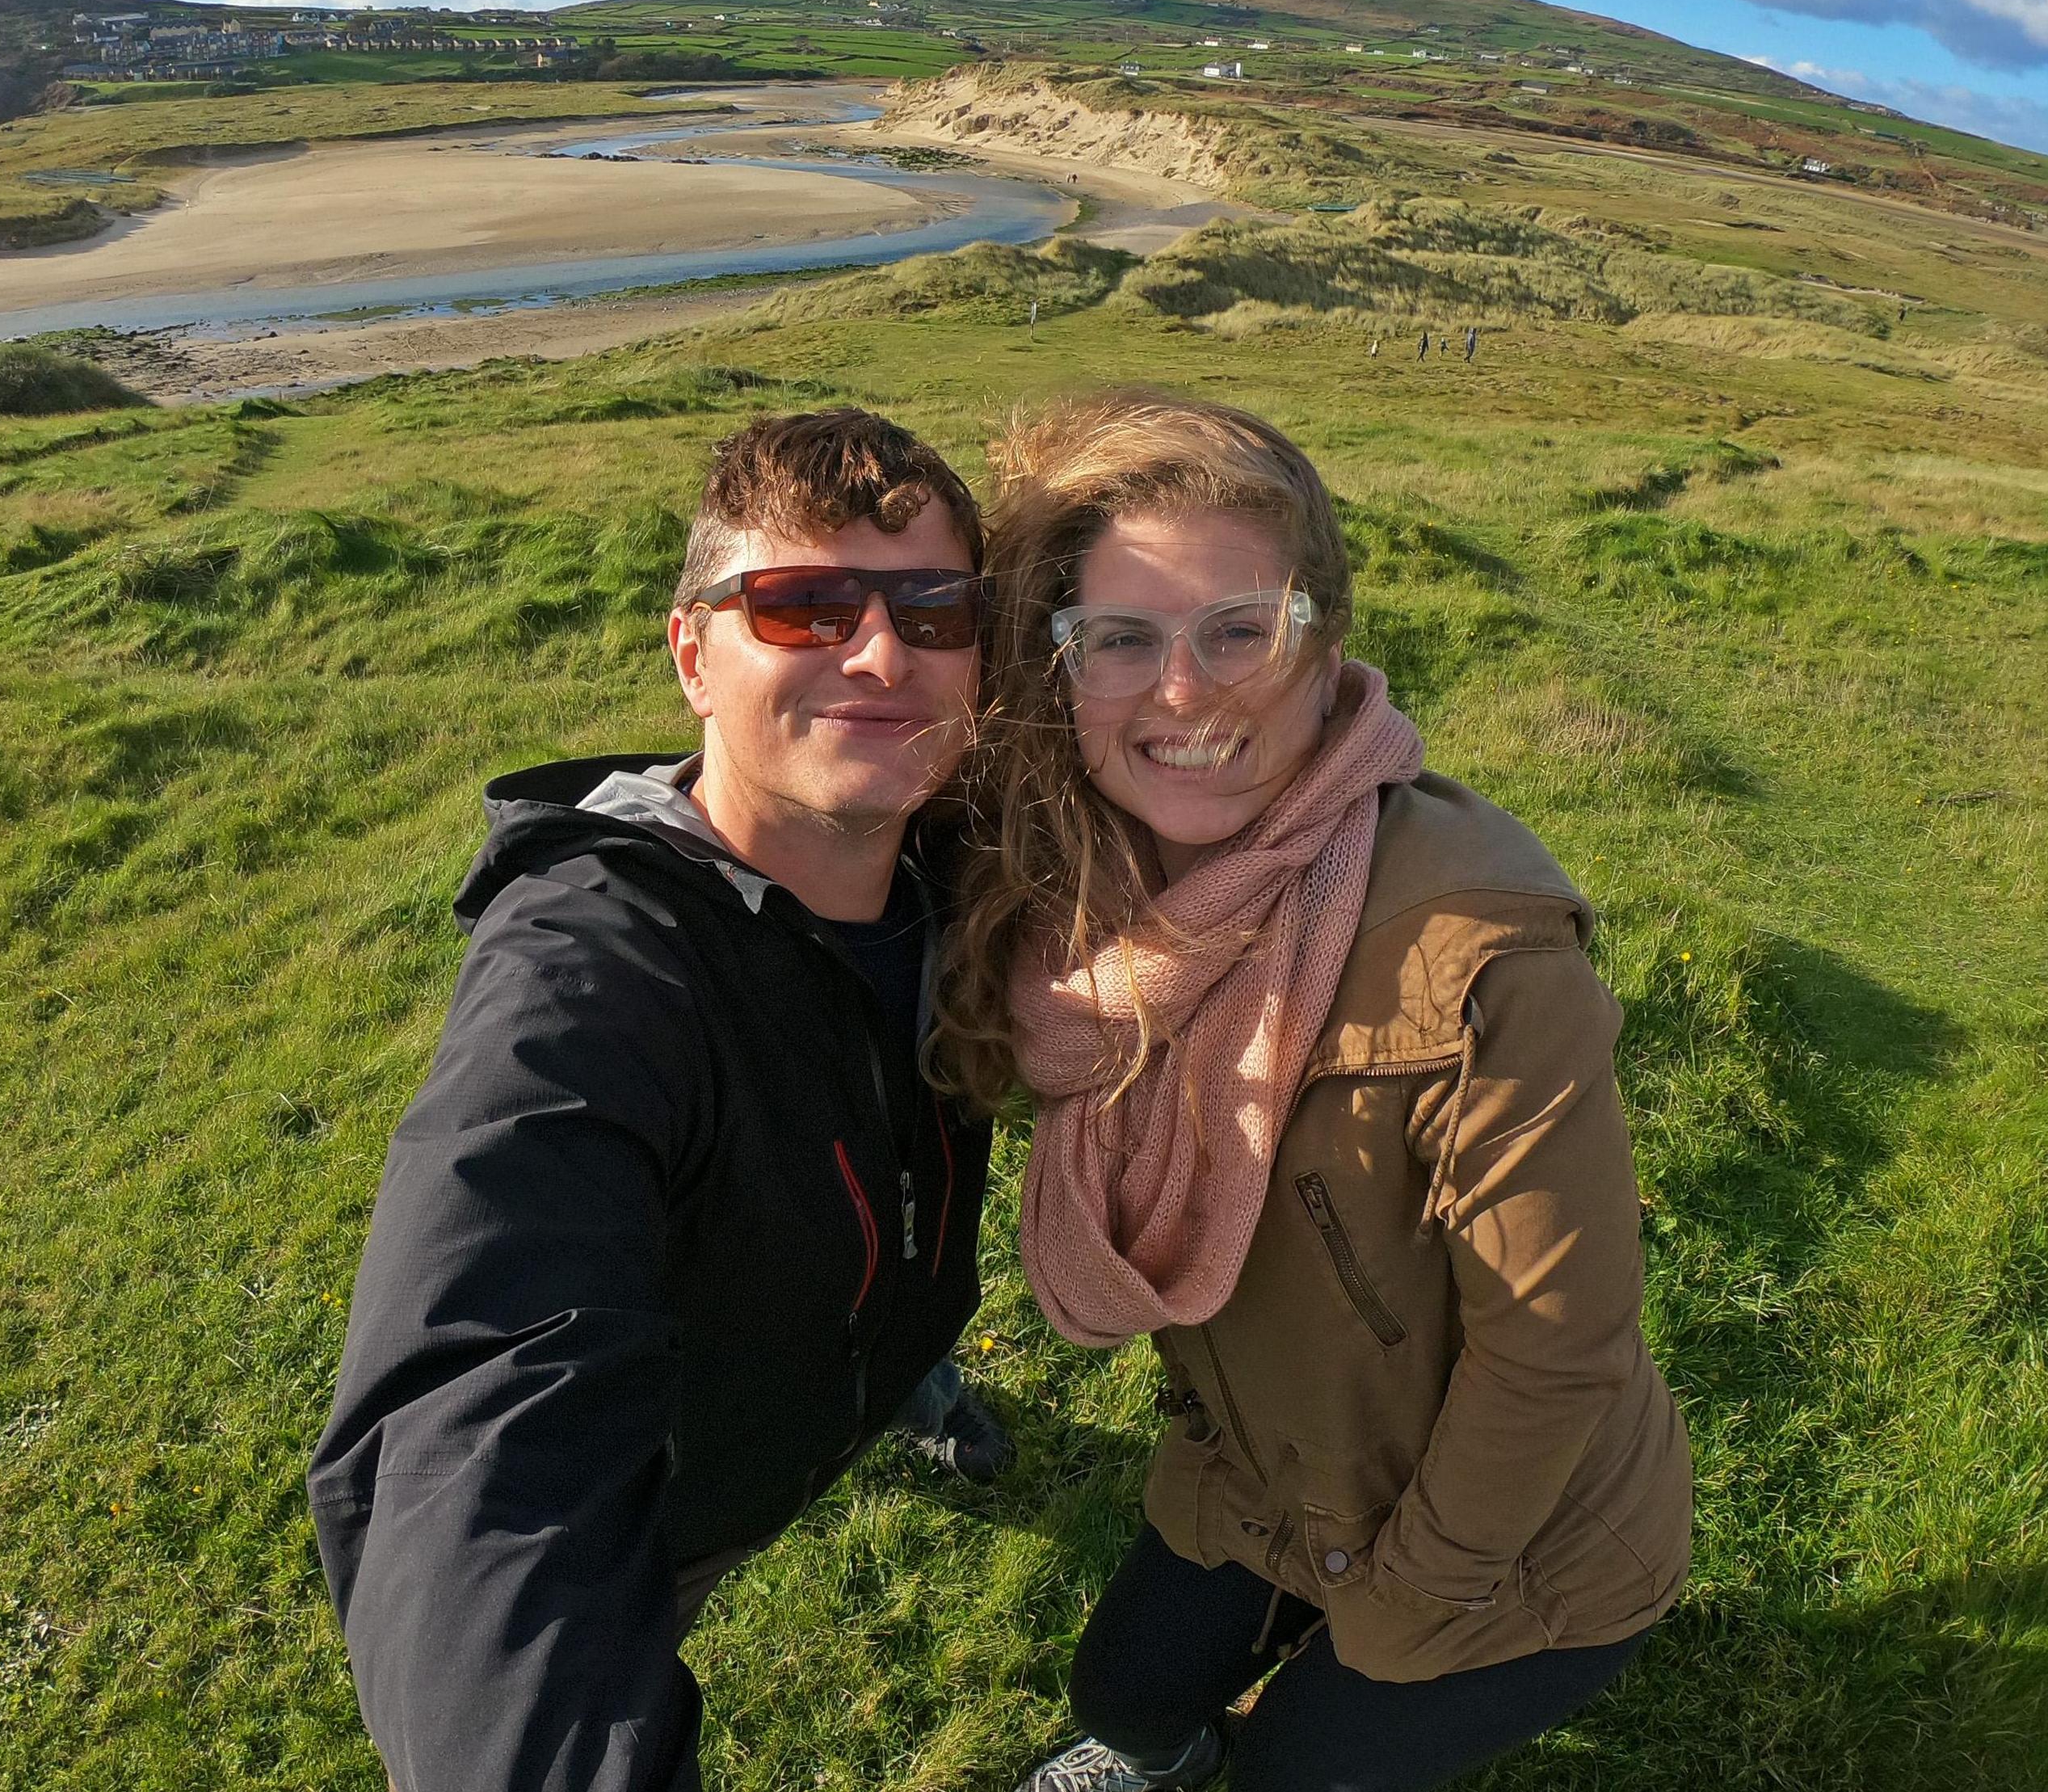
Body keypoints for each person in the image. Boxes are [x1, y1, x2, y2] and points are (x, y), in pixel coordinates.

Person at [940, 391, 1693, 1792]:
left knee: (1291, 1774)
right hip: (1260, 1475)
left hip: (1519, 1536)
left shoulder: (1481, 950)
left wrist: (1408, 1594)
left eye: (1240, 628)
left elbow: (1557, 1346)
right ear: (1062, 670)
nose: (1183, 692)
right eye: (1120, 639)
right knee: (1118, 1694)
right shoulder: (1076, 903)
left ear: (1323, 635)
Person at [312, 408, 1011, 1792]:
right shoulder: (594, 971)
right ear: (693, 652)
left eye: (935, 610)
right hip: (698, 1474)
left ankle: (914, 1388)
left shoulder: (971, 871)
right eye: (802, 607)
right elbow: (481, 1417)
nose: (881, 653)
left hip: (874, 1305)